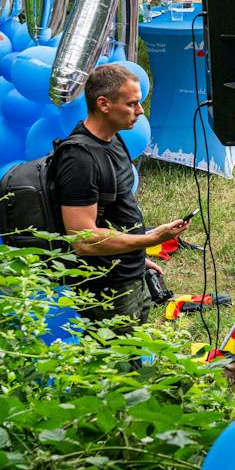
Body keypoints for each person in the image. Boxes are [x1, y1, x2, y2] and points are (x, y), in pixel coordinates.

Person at [52, 62, 190, 323]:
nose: (139, 111)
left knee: (136, 356)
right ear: (104, 104)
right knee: (119, 361)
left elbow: (116, 212)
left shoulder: (113, 139)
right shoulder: (79, 159)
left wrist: (138, 259)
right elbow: (83, 239)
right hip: (108, 287)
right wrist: (148, 241)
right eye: (131, 104)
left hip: (128, 272)